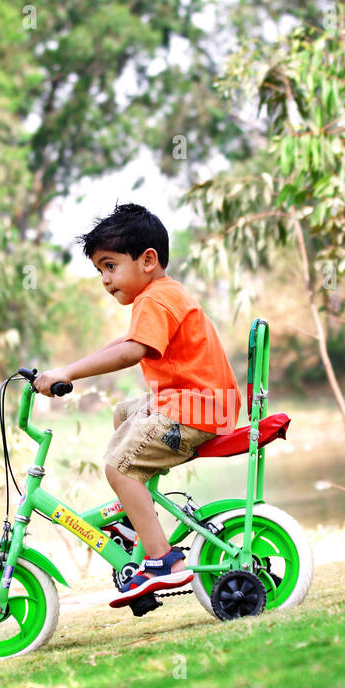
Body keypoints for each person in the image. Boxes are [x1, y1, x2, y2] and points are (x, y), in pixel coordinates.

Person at [34, 202, 242, 607]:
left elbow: (133, 351)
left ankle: (164, 560)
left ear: (147, 260)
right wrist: (66, 368)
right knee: (124, 413)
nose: (104, 280)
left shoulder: (156, 299)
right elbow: (122, 345)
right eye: (99, 271)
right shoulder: (163, 294)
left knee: (120, 468)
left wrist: (71, 374)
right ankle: (134, 520)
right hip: (198, 404)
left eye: (110, 266)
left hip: (195, 410)